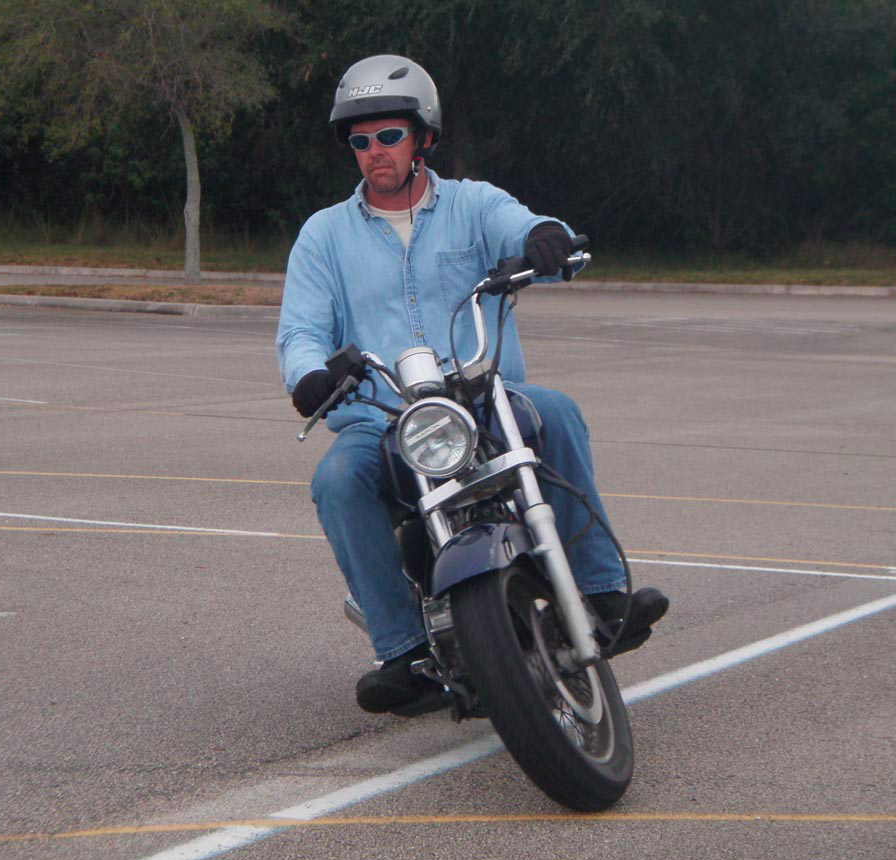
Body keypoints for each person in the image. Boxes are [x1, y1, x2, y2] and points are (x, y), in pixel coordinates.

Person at [277, 55, 668, 714]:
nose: (375, 151)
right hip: (381, 417)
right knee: (336, 480)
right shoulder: (324, 236)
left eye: (389, 135)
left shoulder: (472, 203)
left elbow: (521, 227)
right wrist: (309, 375)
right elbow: (301, 331)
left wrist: (545, 237)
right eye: (360, 140)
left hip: (484, 398)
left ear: (423, 137)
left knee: (558, 413)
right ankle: (402, 653)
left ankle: (603, 594)